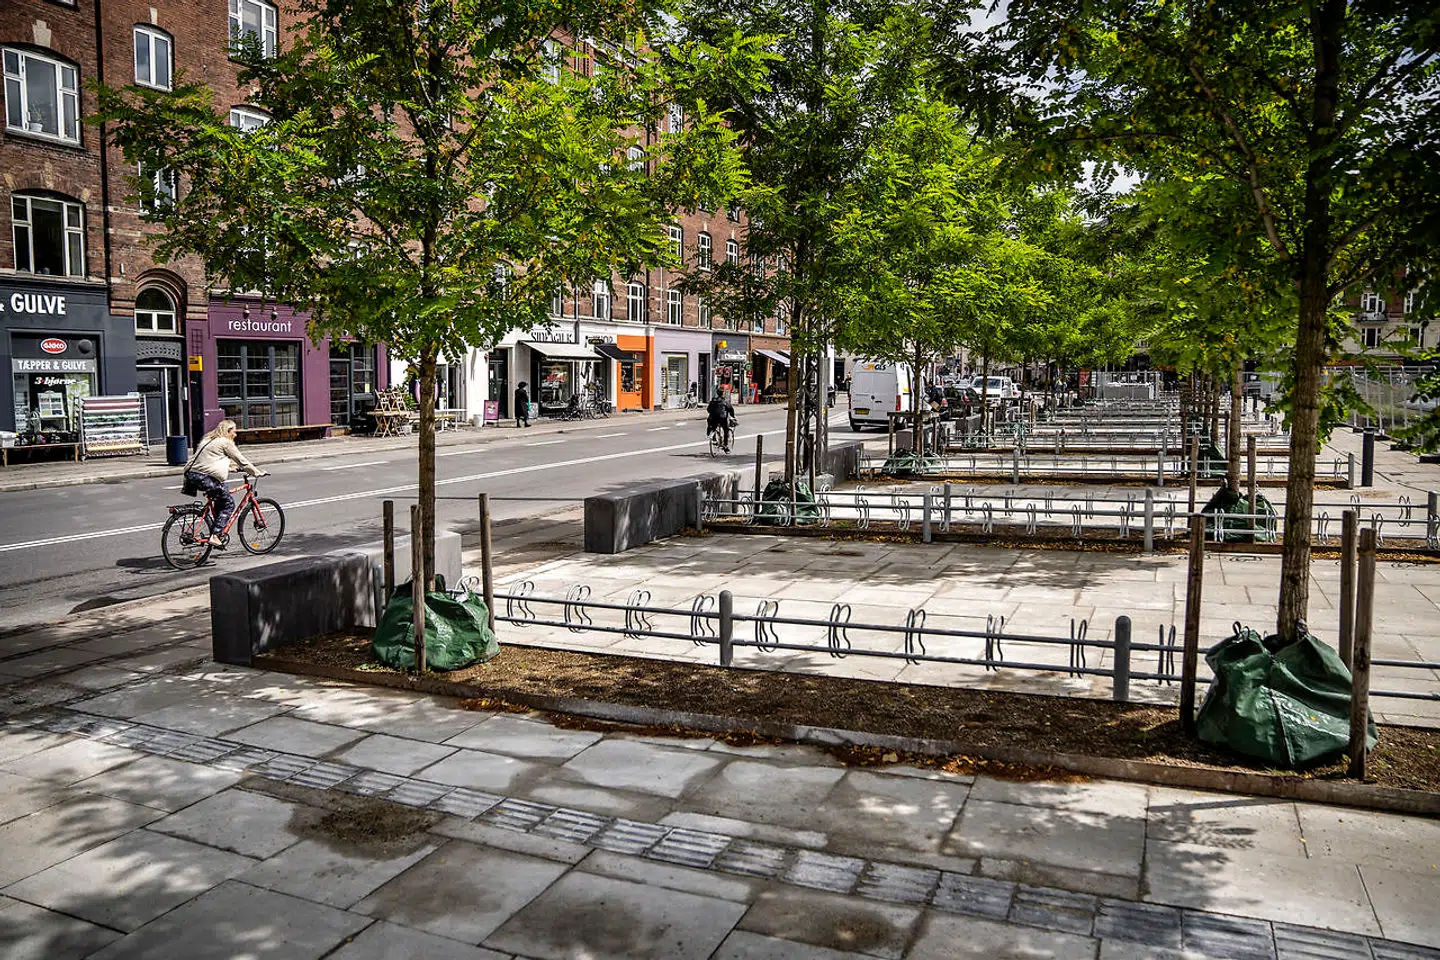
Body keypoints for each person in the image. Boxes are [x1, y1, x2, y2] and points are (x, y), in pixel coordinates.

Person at [183, 419, 266, 547]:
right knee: (229, 503)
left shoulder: (208, 439)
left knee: (221, 496)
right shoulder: (225, 442)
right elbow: (241, 460)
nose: (235, 434)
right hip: (203, 477)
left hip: (191, 475)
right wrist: (256, 472)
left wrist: (228, 468)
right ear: (228, 431)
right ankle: (215, 535)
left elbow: (209, 460)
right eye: (234, 431)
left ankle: (216, 529)